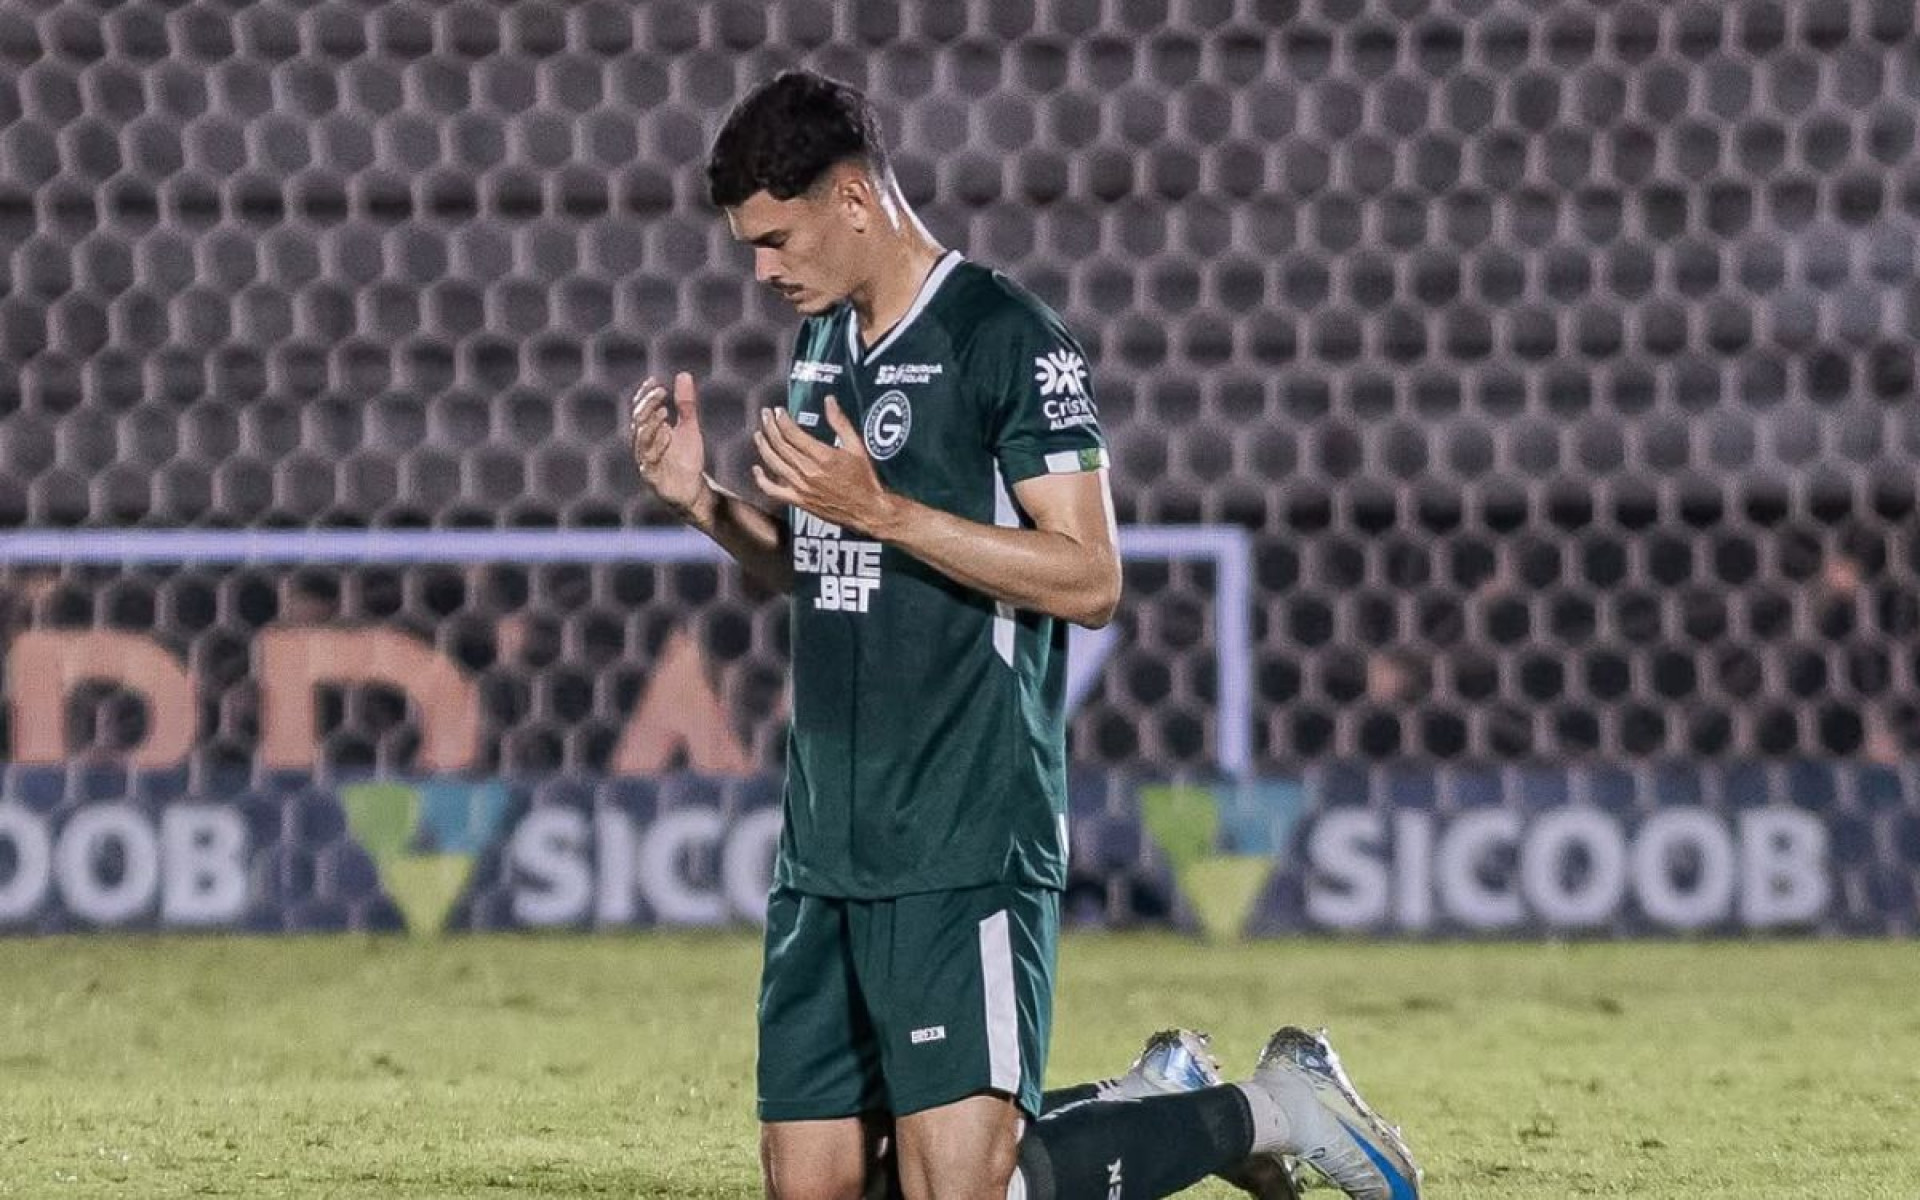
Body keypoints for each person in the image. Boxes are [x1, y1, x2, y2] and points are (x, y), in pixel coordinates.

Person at [627, 68, 1420, 1200]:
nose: (761, 270)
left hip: (964, 837)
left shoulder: (1004, 338)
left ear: (852, 199)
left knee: (964, 1192)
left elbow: (1091, 578)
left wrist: (885, 511)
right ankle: (1150, 1098)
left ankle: (1274, 1108)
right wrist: (703, 505)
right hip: (826, 847)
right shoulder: (822, 345)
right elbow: (825, 567)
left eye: (775, 239)